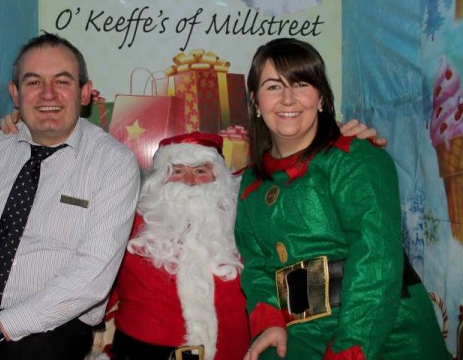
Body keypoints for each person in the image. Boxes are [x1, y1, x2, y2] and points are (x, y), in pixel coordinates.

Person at [0, 32, 141, 360]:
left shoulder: (113, 164)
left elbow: (89, 279)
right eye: (33, 82)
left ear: (85, 93)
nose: (48, 94)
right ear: (15, 94)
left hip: (53, 326)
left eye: (62, 81)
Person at [235, 38, 448, 360]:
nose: (288, 98)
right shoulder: (252, 180)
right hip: (296, 334)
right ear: (255, 100)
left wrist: (352, 346)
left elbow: (374, 256)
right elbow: (257, 264)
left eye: (301, 83)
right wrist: (268, 323)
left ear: (321, 97)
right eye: (273, 86)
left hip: (383, 332)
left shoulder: (355, 157)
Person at [102, 132, 249, 360]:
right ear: (159, 179)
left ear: (219, 178)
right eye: (178, 171)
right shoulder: (130, 224)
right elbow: (97, 284)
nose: (189, 181)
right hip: (143, 353)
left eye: (200, 171)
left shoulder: (241, 224)